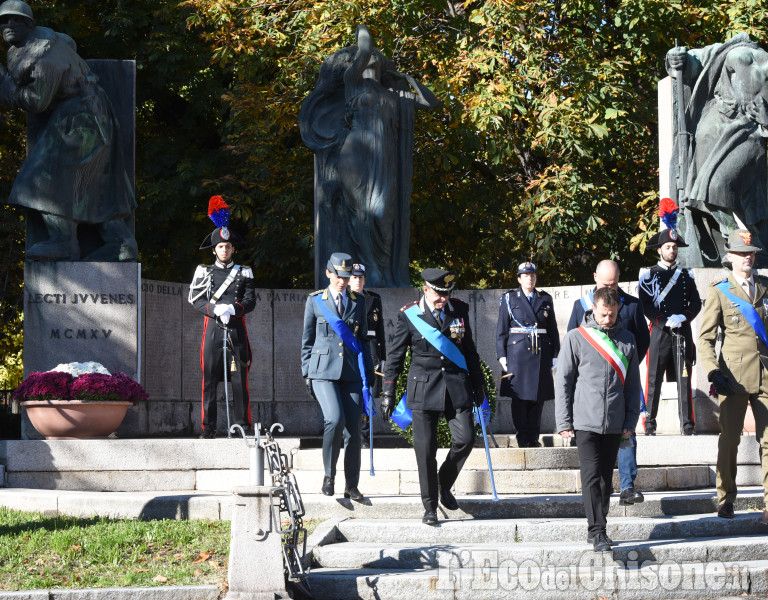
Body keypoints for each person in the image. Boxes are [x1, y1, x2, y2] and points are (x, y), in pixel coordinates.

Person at [299, 24, 439, 287]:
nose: (372, 53)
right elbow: (363, 47)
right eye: (368, 53)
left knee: (383, 213)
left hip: (385, 158)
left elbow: (431, 103)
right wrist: (364, 32)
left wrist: (407, 79)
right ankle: (370, 268)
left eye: (376, 52)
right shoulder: (353, 82)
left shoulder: (394, 93)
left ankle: (382, 269)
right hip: (356, 152)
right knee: (363, 212)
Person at [0, 0, 136, 261]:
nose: (8, 25)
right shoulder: (42, 45)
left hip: (80, 119)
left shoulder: (44, 57)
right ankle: (121, 244)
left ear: (30, 24)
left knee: (38, 180)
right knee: (93, 183)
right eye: (3, 21)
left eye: (15, 20)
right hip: (89, 115)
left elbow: (37, 102)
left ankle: (64, 242)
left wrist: (6, 87)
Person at [380, 268, 485, 526]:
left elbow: (469, 350)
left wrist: (478, 384)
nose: (443, 299)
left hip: (456, 387)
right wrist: (388, 392)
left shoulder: (459, 310)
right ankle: (429, 507)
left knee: (466, 438)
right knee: (425, 451)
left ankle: (443, 483)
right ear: (426, 289)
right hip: (423, 389)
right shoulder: (409, 315)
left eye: (447, 294)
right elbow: (394, 357)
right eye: (439, 294)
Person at [665, 35, 768, 268]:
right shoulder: (730, 48)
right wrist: (678, 58)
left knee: (715, 187)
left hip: (749, 131)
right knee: (700, 191)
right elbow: (697, 61)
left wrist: (765, 118)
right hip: (713, 129)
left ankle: (745, 243)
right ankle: (739, 245)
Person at [556, 286, 642, 552]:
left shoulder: (627, 340)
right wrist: (563, 421)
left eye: (612, 315)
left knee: (605, 478)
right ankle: (597, 530)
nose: (607, 320)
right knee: (591, 475)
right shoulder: (576, 338)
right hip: (584, 420)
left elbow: (632, 385)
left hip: (615, 421)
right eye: (603, 314)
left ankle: (598, 526)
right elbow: (563, 381)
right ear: (593, 308)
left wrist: (630, 420)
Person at [698, 229, 768, 525]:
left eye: (750, 252)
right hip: (733, 377)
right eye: (741, 253)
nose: (747, 257)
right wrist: (713, 371)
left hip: (765, 374)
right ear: (730, 257)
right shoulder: (720, 289)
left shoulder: (765, 287)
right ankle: (726, 498)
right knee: (729, 441)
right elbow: (705, 339)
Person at [567, 260, 649, 506]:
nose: (610, 288)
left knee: (627, 432)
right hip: (591, 389)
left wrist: (624, 366)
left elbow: (642, 342)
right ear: (595, 278)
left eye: (614, 283)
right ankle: (603, 491)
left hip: (622, 380)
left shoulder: (632, 305)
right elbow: (572, 347)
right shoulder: (580, 307)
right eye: (605, 284)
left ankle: (627, 486)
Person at [301, 252, 374, 502]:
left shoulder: (359, 301)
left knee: (353, 428)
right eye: (338, 275)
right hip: (322, 372)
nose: (342, 281)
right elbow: (307, 340)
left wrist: (369, 375)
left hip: (352, 372)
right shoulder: (315, 301)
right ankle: (328, 476)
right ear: (328, 273)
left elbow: (363, 339)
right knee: (334, 418)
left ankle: (351, 485)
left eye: (346, 276)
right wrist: (306, 372)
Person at [188, 196, 256, 438]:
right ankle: (209, 428)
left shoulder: (244, 272)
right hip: (214, 328)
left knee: (240, 381)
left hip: (236, 329)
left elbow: (250, 300)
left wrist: (233, 309)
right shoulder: (204, 271)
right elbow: (195, 299)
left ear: (233, 249)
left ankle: (242, 426)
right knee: (209, 380)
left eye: (228, 247)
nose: (224, 250)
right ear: (214, 249)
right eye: (220, 247)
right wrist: (214, 309)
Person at [638, 203, 702, 435]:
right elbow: (645, 304)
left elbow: (696, 303)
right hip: (658, 332)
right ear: (660, 250)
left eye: (674, 247)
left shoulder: (686, 275)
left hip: (682, 332)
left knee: (684, 380)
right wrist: (664, 320)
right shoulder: (648, 276)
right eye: (668, 247)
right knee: (653, 380)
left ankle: (687, 425)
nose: (672, 251)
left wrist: (683, 317)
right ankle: (650, 424)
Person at [496, 261, 559, 447]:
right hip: (518, 354)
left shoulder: (545, 299)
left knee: (537, 398)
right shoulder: (509, 299)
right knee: (520, 398)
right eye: (525, 275)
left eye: (532, 275)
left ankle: (533, 436)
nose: (529, 278)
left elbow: (552, 329)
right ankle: (522, 436)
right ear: (519, 278)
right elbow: (502, 330)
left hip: (540, 352)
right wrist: (502, 355)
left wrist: (555, 353)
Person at [348, 263, 386, 446]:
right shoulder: (343, 298)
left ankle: (365, 436)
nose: (357, 281)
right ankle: (350, 434)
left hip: (369, 351)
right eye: (354, 277)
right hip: (350, 350)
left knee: (367, 394)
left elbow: (380, 331)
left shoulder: (374, 299)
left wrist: (382, 356)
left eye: (360, 278)